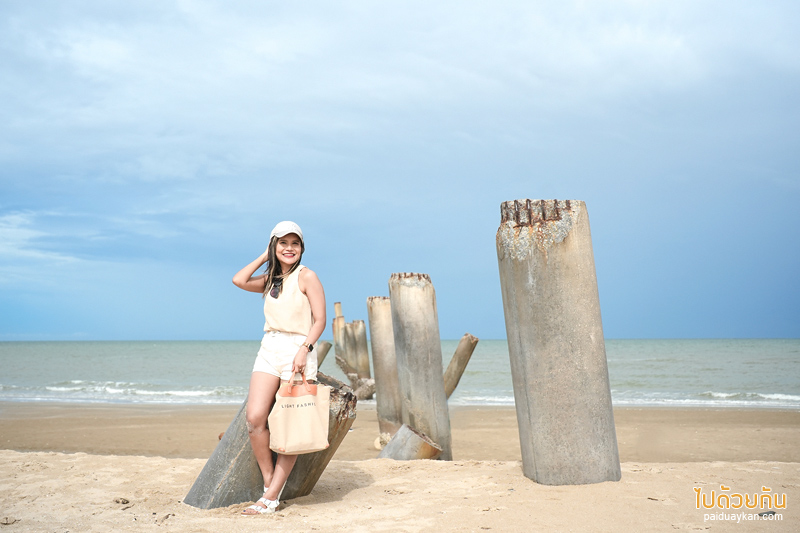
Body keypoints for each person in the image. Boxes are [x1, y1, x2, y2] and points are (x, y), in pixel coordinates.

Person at [232, 221, 326, 515]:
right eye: (282, 243)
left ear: (302, 248)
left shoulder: (307, 276)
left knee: (290, 425)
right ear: (274, 245)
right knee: (255, 417)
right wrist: (264, 256)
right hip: (269, 348)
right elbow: (238, 279)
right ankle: (270, 481)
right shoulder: (270, 278)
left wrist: (304, 349)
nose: (289, 248)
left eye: (294, 243)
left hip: (298, 351)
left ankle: (271, 497)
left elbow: (320, 319)